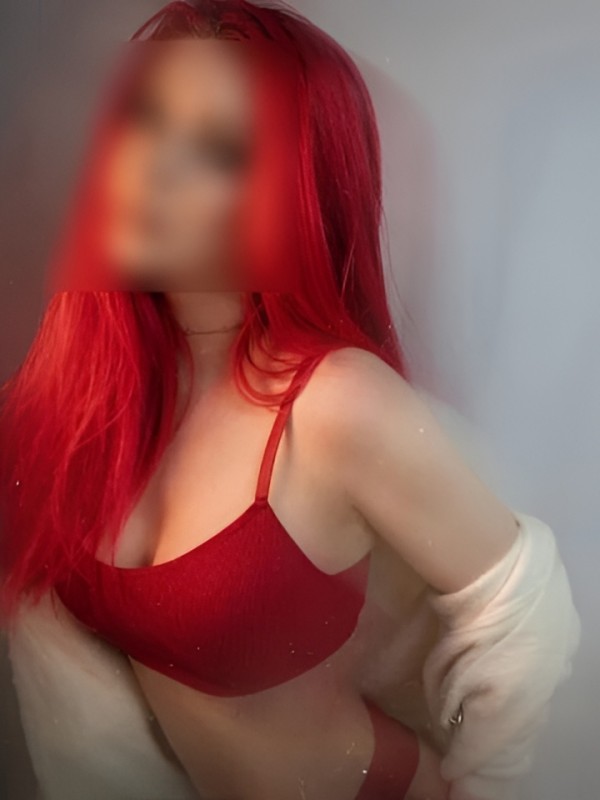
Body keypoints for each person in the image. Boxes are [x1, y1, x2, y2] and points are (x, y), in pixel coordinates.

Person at [0, 2, 581, 800]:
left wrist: (490, 788)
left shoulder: (333, 405)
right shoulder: (71, 408)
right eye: (145, 119)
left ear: (296, 189)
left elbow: (526, 610)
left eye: (219, 150)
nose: (154, 168)